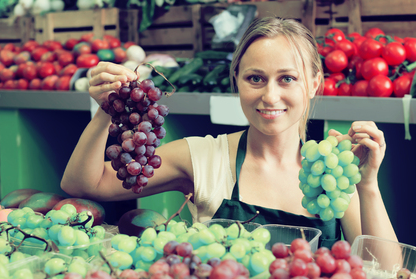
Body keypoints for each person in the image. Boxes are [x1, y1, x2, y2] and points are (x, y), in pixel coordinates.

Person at [61, 17, 397, 248]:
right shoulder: (203, 157)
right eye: (255, 78)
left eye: (287, 78)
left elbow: (389, 273)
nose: (270, 95)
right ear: (236, 80)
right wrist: (107, 111)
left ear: (313, 83)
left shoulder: (332, 169)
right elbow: (83, 184)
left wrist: (367, 184)